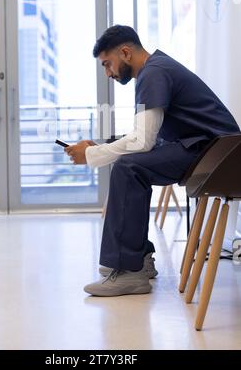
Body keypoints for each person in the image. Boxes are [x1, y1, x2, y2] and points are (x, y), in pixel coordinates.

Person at [65, 25, 240, 297]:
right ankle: (135, 260)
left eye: (107, 64)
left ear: (125, 52)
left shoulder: (154, 73)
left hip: (219, 157)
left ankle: (130, 270)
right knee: (131, 164)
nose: (107, 73)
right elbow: (147, 136)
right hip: (211, 152)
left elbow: (142, 142)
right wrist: (100, 146)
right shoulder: (156, 69)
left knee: (129, 167)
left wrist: (90, 155)